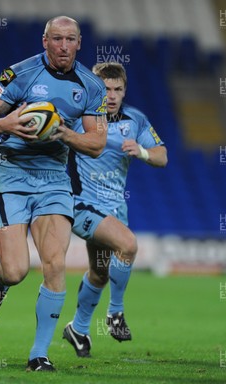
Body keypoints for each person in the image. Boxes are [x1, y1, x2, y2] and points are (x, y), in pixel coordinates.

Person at [0, 16, 108, 371]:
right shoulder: (19, 74)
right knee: (16, 270)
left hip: (53, 179)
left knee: (56, 263)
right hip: (13, 174)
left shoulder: (92, 86)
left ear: (79, 43)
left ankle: (39, 355)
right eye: (57, 39)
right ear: (45, 40)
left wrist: (64, 134)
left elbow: (96, 143)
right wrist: (7, 122)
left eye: (70, 40)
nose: (63, 46)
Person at [62, 62, 168, 357]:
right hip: (81, 203)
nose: (111, 95)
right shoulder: (78, 116)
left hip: (114, 208)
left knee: (99, 273)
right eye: (105, 89)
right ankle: (115, 314)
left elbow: (162, 156)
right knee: (128, 244)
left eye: (117, 89)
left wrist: (143, 152)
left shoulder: (134, 119)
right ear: (94, 89)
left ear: (124, 91)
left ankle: (78, 329)